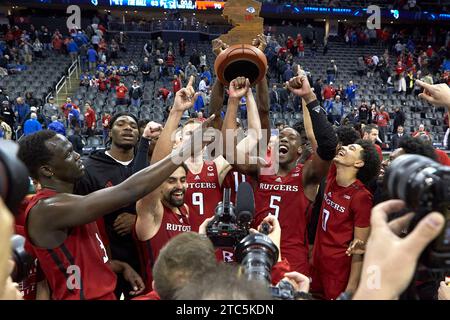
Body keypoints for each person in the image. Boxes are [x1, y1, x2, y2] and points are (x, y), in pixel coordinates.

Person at [17, 115, 208, 300]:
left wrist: (120, 266)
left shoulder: (71, 201)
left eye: (74, 150)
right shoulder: (47, 209)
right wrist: (183, 151)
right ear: (47, 170)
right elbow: (129, 191)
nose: (77, 156)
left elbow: (81, 259)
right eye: (68, 154)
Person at [223, 73, 338, 275]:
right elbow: (228, 152)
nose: (283, 140)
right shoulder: (262, 169)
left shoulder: (307, 175)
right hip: (256, 251)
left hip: (292, 258)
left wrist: (309, 96)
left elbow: (328, 145)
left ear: (300, 150)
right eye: (280, 137)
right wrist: (233, 100)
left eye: (291, 138)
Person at [74, 112, 156, 298]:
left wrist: (138, 220)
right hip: (105, 257)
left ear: (139, 135)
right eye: (121, 124)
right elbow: (81, 214)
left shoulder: (150, 166)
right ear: (109, 132)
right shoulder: (89, 168)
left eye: (133, 126)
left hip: (144, 256)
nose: (128, 128)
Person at [149, 76, 230, 233]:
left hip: (212, 238)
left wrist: (220, 77)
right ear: (179, 140)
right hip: (180, 238)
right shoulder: (172, 167)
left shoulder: (217, 163)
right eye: (189, 134)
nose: (195, 137)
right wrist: (177, 111)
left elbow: (217, 118)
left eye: (199, 133)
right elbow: (155, 167)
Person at [311, 139, 381, 300]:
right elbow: (314, 136)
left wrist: (350, 290)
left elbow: (359, 249)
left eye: (351, 148)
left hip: (337, 273)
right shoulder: (333, 176)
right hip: (317, 263)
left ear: (359, 162)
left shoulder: (361, 197)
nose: (343, 148)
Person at [353, 200, 445, 300]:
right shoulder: (402, 215)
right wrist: (367, 248)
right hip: (394, 284)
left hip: (427, 286)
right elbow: (388, 240)